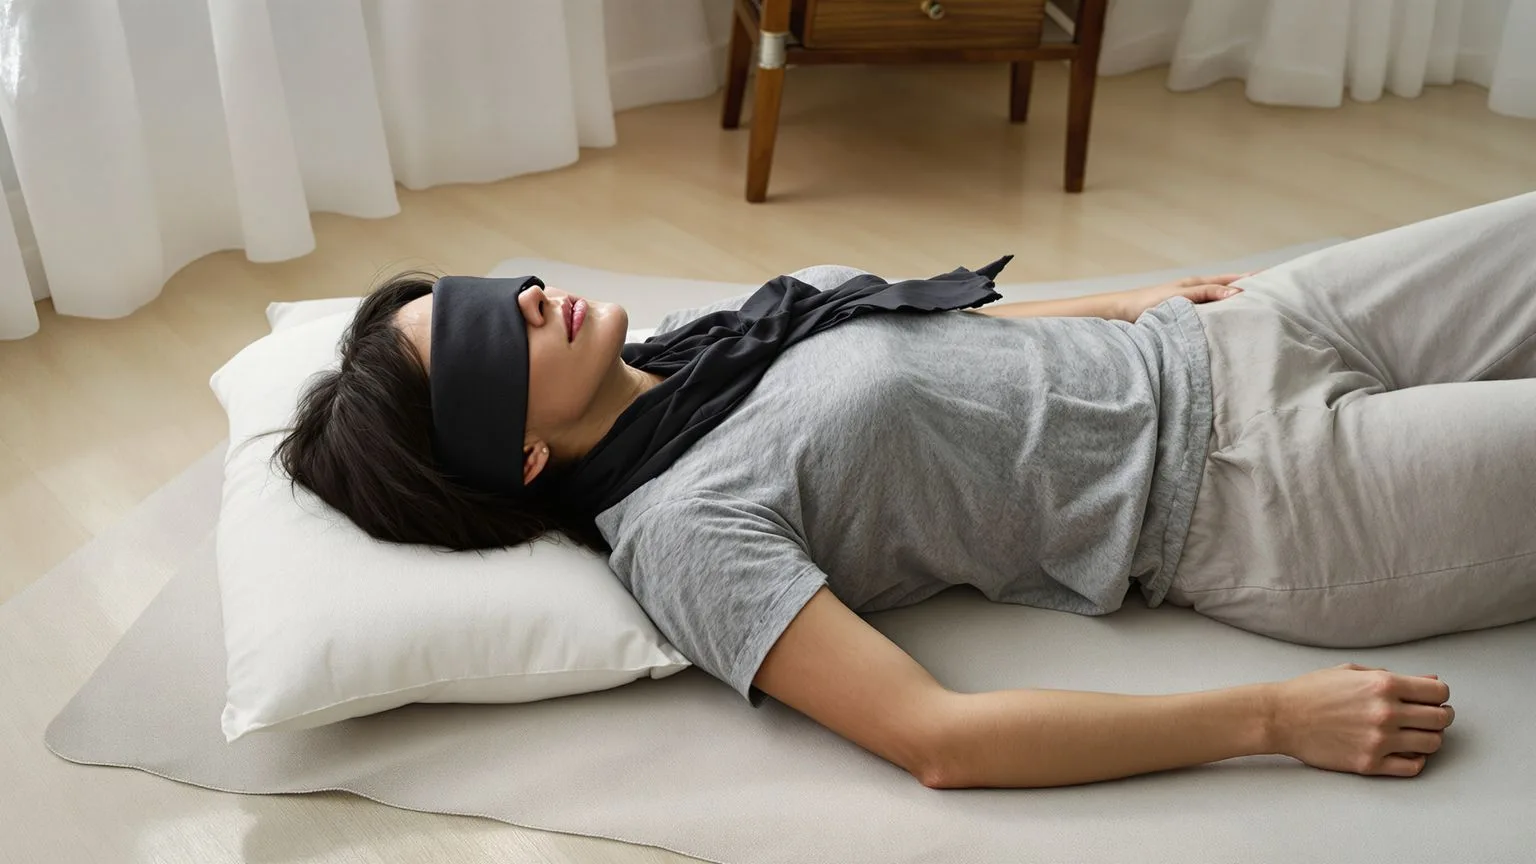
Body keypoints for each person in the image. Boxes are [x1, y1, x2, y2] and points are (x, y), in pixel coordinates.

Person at [277, 193, 1536, 789]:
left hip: (1246, 326)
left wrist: (1119, 301)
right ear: (523, 460)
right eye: (500, 342)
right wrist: (1271, 720)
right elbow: (937, 739)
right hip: (1275, 494)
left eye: (495, 296)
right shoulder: (682, 534)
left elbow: (906, 332)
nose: (533, 299)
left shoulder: (689, 348)